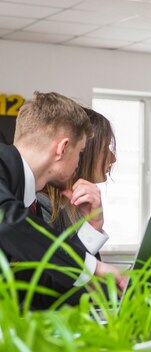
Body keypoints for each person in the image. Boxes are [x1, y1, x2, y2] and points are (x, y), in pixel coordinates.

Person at [0, 91, 125, 309]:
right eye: (80, 151)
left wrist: (90, 232)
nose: (78, 163)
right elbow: (7, 220)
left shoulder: (28, 203)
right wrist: (92, 267)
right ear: (63, 148)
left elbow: (35, 291)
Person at [38, 108, 117, 260]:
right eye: (106, 147)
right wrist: (94, 227)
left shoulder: (75, 206)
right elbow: (58, 277)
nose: (113, 159)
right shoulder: (43, 206)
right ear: (83, 151)